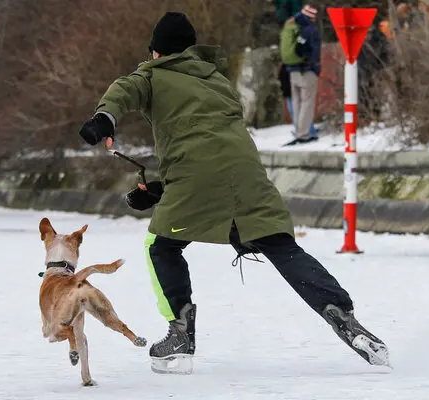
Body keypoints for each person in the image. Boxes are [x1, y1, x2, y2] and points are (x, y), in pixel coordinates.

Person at [78, 11, 390, 374]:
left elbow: (124, 90)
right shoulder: (215, 79)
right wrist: (166, 188)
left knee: (161, 246)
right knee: (280, 246)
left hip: (199, 177)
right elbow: (211, 144)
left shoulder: (151, 75)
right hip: (246, 174)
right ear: (190, 49)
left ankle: (180, 333)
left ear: (156, 52)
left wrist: (104, 119)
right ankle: (340, 312)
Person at [279, 5, 321, 146]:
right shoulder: (309, 30)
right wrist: (315, 66)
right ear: (311, 17)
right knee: (307, 103)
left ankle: (298, 131)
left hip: (292, 70)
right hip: (306, 71)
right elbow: (313, 52)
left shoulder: (291, 26)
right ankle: (303, 134)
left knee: (297, 103)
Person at [278, 62, 318, 138]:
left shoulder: (288, 67)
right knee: (303, 110)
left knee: (298, 112)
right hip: (292, 93)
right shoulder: (294, 67)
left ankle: (307, 132)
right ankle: (306, 131)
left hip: (291, 93)